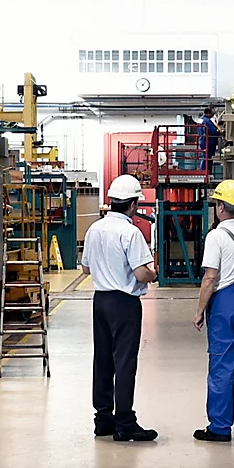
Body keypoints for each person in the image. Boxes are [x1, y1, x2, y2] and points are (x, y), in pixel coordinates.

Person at [81, 175, 158, 443]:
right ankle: (125, 422)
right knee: (124, 362)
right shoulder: (130, 232)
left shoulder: (95, 229)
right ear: (134, 204)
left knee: (102, 359)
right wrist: (153, 273)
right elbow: (140, 273)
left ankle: (103, 419)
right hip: (124, 303)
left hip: (100, 300)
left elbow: (86, 268)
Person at [193, 180, 234, 443]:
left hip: (224, 306)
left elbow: (210, 277)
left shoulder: (216, 236)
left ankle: (220, 427)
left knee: (221, 366)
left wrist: (199, 310)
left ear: (221, 207)